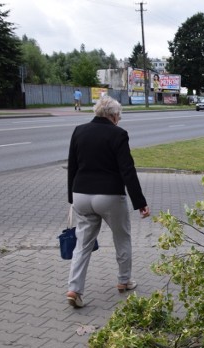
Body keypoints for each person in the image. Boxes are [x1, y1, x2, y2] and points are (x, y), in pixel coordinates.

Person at [66, 96, 150, 308]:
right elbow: (127, 170)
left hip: (81, 195)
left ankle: (74, 289)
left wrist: (71, 198)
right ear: (113, 116)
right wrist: (140, 202)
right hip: (110, 195)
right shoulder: (118, 134)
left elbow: (72, 167)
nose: (119, 120)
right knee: (122, 238)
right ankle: (124, 281)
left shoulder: (79, 131)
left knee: (82, 244)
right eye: (119, 116)